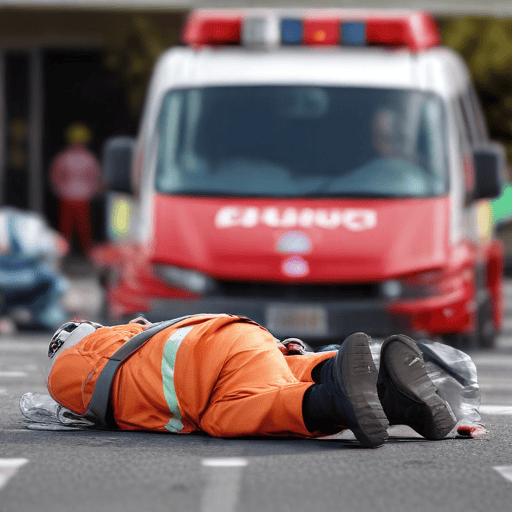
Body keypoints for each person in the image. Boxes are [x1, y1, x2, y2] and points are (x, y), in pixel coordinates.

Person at [46, 313, 457, 447]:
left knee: (227, 415)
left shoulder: (69, 374)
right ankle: (391, 395)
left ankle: (332, 397)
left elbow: (72, 398)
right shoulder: (135, 332)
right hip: (240, 334)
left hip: (208, 376)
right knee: (283, 370)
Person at [0, 207, 69, 331]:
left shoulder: (33, 223)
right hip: (7, 272)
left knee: (59, 284)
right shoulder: (9, 221)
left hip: (32, 273)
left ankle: (42, 316)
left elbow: (59, 246)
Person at [49, 122, 103, 257]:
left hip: (68, 197)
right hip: (80, 198)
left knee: (67, 229)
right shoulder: (89, 157)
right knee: (83, 229)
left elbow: (55, 176)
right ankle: (89, 256)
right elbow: (96, 178)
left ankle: (60, 256)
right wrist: (94, 192)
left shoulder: (63, 156)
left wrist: (59, 191)